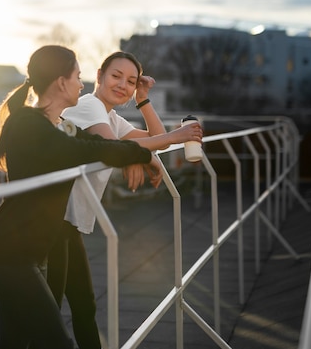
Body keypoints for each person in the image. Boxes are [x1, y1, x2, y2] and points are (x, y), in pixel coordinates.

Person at [0, 45, 163, 349]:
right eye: (77, 76)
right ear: (62, 82)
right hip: (13, 252)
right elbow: (95, 148)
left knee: (16, 339)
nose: (80, 82)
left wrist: (143, 151)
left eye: (131, 81)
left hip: (28, 251)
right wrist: (144, 155)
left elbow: (102, 146)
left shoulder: (58, 125)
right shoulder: (36, 123)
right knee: (55, 338)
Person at [46, 51, 203, 349]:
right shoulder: (87, 104)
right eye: (116, 76)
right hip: (54, 220)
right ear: (100, 76)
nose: (123, 85)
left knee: (83, 306)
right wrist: (140, 152)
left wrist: (143, 100)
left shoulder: (111, 117)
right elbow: (115, 148)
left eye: (131, 81)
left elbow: (153, 139)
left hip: (70, 222)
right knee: (48, 311)